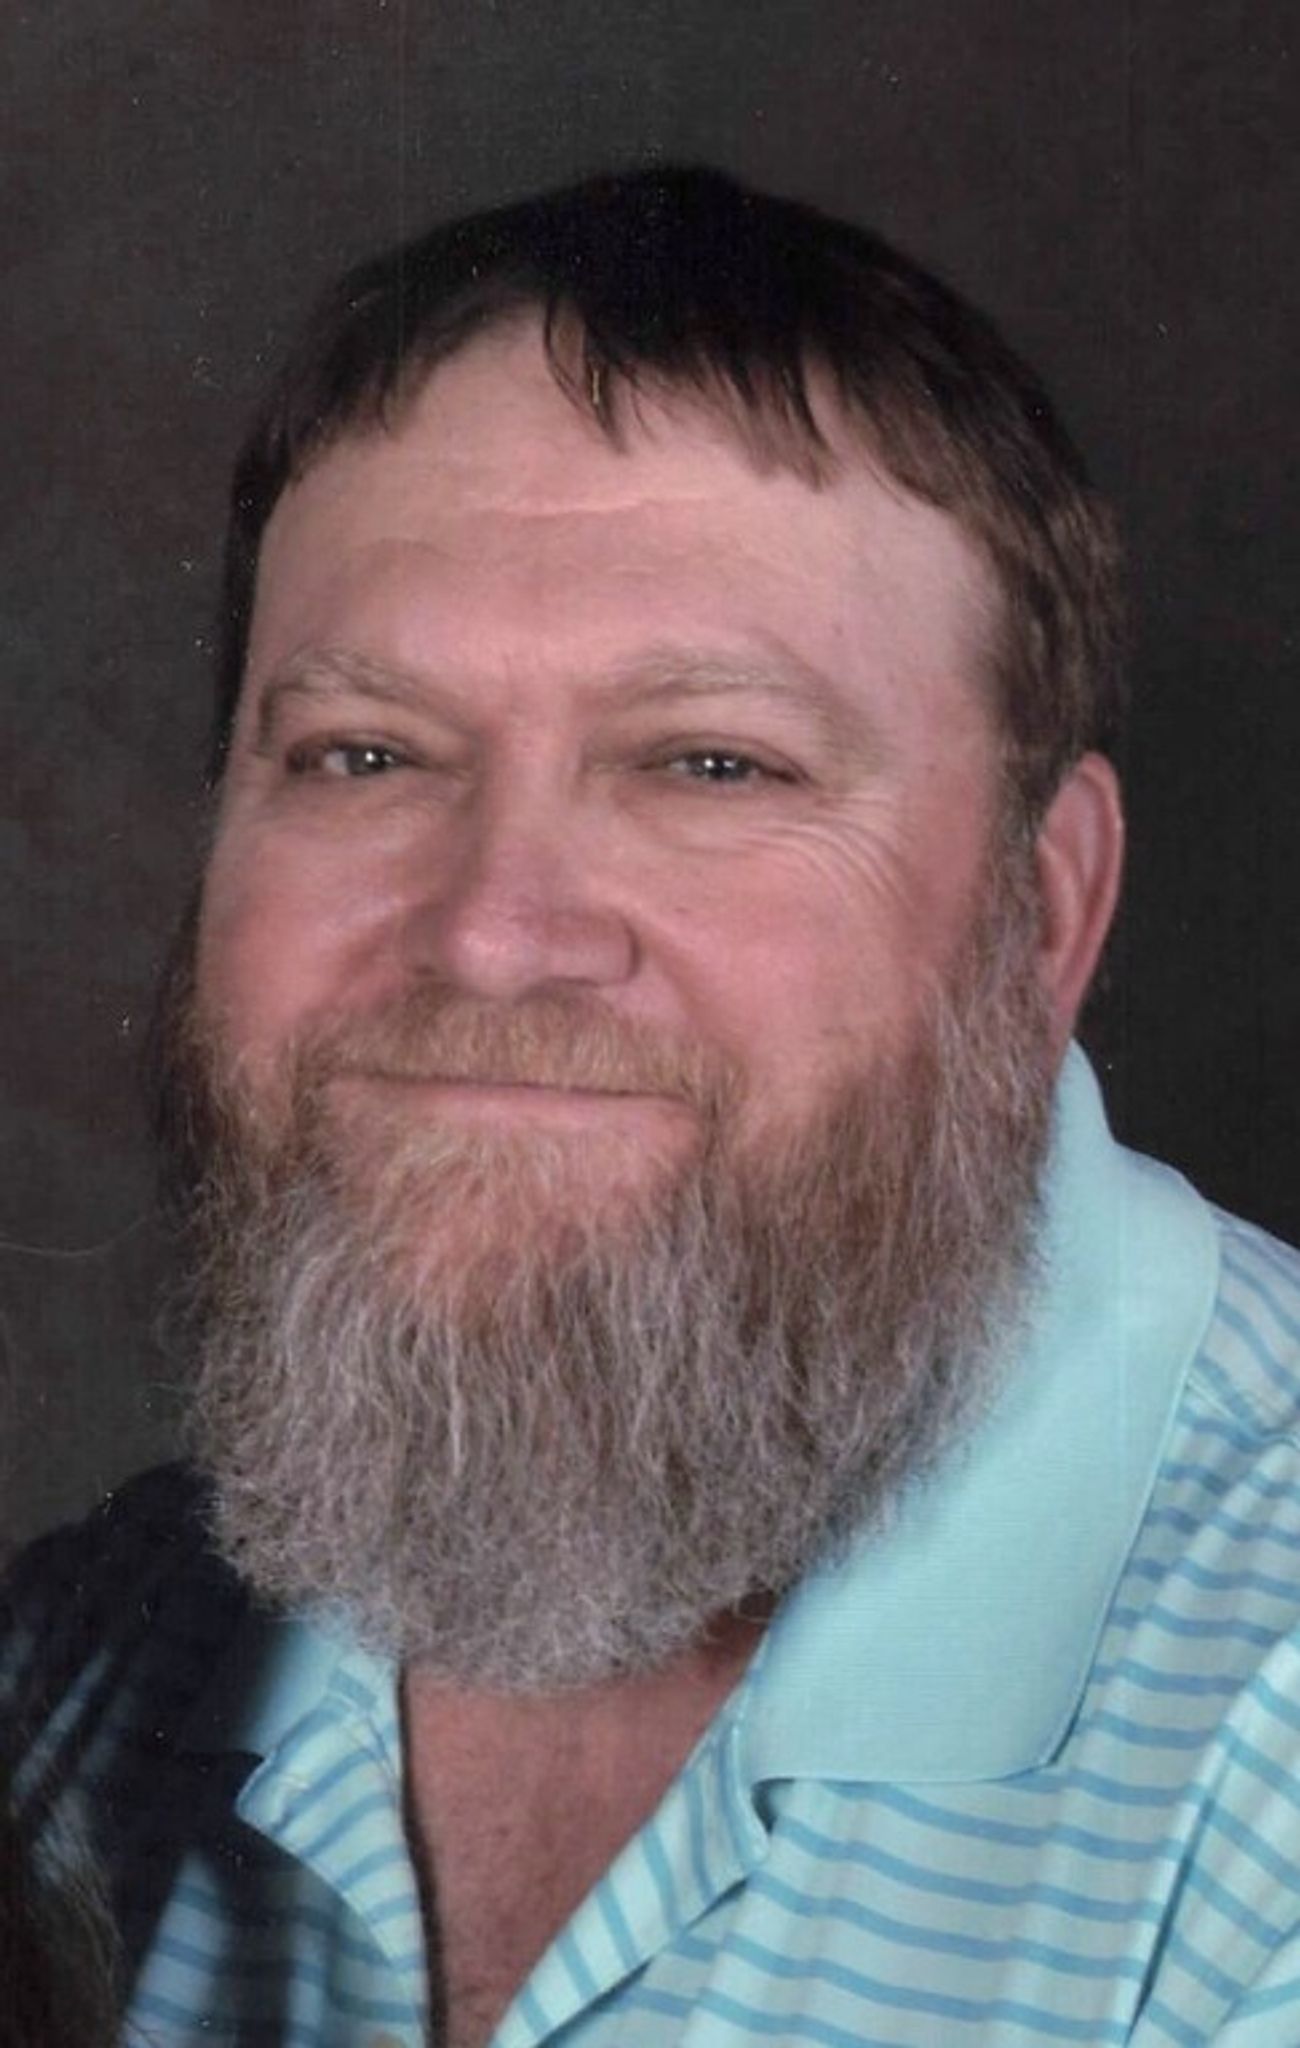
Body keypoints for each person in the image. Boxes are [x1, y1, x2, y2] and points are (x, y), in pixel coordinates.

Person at [3, 163, 1299, 2048]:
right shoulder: (77, 1673)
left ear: (1042, 916)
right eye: (364, 754)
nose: (493, 935)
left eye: (711, 764)